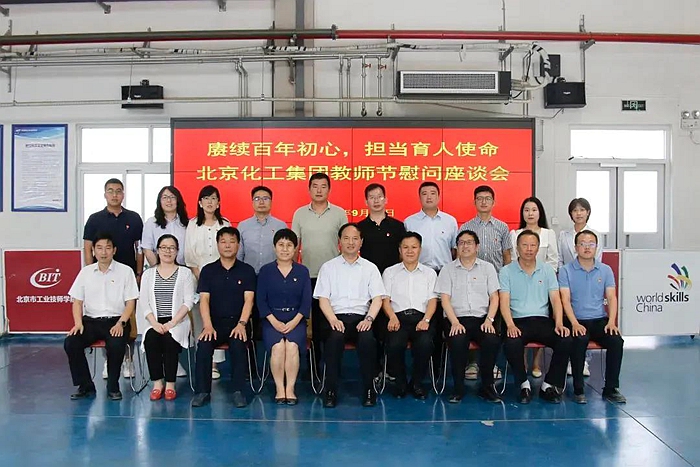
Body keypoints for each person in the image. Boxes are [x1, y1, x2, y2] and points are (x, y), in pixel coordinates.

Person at [314, 223, 385, 408]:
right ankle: (330, 391)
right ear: (339, 241)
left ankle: (369, 389)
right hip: (336, 318)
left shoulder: (370, 268)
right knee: (334, 340)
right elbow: (323, 299)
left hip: (362, 318)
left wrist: (369, 319)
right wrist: (332, 319)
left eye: (355, 239)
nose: (350, 242)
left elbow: (377, 298)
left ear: (361, 242)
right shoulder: (328, 267)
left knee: (368, 340)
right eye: (346, 238)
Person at [499, 230, 572, 404]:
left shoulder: (547, 270)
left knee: (565, 340)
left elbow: (555, 299)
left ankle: (548, 385)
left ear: (538, 248)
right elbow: (504, 301)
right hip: (517, 321)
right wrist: (509, 324)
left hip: (542, 320)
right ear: (517, 248)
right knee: (511, 342)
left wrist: (559, 322)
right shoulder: (506, 271)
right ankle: (523, 384)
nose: (529, 249)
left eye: (533, 245)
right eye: (524, 245)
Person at [64, 232, 138, 401]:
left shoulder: (125, 271)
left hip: (117, 320)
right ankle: (85, 385)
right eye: (99, 248)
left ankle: (113, 386)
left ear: (114, 250)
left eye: (107, 248)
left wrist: (121, 323)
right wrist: (78, 323)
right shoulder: (86, 272)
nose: (103, 252)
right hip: (90, 321)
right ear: (93, 251)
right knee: (71, 343)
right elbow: (77, 302)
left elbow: (130, 303)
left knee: (116, 344)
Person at [83, 178, 143, 380]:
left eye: (118, 191)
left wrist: (139, 273)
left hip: (127, 276)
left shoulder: (134, 218)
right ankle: (109, 360)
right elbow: (88, 247)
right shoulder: (94, 219)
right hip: (101, 275)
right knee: (104, 317)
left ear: (123, 194)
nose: (114, 194)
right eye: (110, 191)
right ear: (105, 194)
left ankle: (128, 360)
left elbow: (139, 248)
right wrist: (90, 271)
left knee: (128, 320)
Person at [191, 227, 256, 408]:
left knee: (238, 345)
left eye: (232, 241)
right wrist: (207, 325)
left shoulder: (247, 270)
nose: (228, 245)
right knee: (204, 346)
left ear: (238, 245)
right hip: (214, 324)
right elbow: (204, 300)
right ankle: (202, 392)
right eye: (223, 241)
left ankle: (238, 391)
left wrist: (242, 324)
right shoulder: (208, 271)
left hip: (238, 323)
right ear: (217, 245)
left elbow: (249, 300)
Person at [435, 230, 502, 403]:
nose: (465, 246)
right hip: (456, 319)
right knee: (457, 341)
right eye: (461, 243)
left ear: (477, 246)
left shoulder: (488, 268)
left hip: (482, 319)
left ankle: (487, 387)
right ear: (456, 247)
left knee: (491, 340)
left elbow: (495, 297)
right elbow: (445, 300)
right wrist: (454, 322)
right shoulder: (447, 269)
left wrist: (489, 320)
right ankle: (458, 388)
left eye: (469, 242)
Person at [559, 230, 626, 404]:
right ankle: (578, 389)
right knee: (579, 339)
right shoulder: (566, 270)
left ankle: (611, 388)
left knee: (616, 341)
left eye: (591, 244)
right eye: (582, 244)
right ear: (576, 248)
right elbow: (565, 299)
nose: (587, 247)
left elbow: (611, 297)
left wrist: (611, 322)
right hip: (575, 319)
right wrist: (574, 323)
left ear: (596, 247)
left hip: (599, 319)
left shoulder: (605, 270)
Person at [292, 173, 348, 374]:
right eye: (315, 186)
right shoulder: (300, 214)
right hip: (308, 275)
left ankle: (332, 366)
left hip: (333, 277)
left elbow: (346, 243)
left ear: (329, 190)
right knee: (313, 324)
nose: (319, 190)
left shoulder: (339, 213)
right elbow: (294, 245)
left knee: (332, 321)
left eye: (323, 186)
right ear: (309, 189)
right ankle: (313, 368)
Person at [459, 185, 511, 381]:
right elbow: (459, 256)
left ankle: (491, 363)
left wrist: (506, 283)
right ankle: (472, 363)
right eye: (479, 198)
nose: (483, 202)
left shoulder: (502, 227)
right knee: (472, 321)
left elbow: (507, 257)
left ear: (493, 202)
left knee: (493, 325)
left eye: (487, 198)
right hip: (471, 284)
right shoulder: (466, 228)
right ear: (474, 202)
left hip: (495, 283)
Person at [256, 229, 312, 405]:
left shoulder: (302, 271)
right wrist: (274, 321)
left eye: (289, 245)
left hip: (296, 320)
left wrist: (294, 322)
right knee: (279, 347)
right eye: (281, 245)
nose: (285, 249)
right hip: (271, 320)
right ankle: (280, 389)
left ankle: (290, 389)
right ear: (274, 247)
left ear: (295, 249)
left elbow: (306, 302)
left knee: (292, 346)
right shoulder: (265, 271)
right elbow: (261, 301)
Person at [137, 234, 195, 401]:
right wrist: (154, 323)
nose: (167, 251)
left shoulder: (185, 273)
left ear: (177, 251)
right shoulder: (148, 274)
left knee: (170, 339)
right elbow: (144, 302)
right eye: (163, 247)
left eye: (172, 248)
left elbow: (188, 302)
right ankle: (157, 383)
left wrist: (172, 323)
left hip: (178, 321)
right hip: (154, 321)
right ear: (157, 250)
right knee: (151, 338)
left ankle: (170, 384)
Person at [381, 232, 438, 400]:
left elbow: (432, 301)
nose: (410, 251)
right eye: (405, 247)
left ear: (420, 249)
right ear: (400, 250)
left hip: (422, 318)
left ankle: (416, 383)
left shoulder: (429, 273)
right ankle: (400, 383)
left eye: (414, 247)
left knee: (425, 344)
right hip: (397, 318)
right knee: (394, 344)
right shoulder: (390, 272)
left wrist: (426, 320)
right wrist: (392, 317)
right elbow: (385, 300)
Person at [141, 185, 189, 378]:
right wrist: (161, 268)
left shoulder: (187, 223)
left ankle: (174, 362)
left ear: (178, 200)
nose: (169, 201)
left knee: (183, 315)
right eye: (164, 197)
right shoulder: (151, 223)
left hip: (183, 274)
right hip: (159, 271)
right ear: (159, 201)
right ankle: (163, 371)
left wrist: (176, 268)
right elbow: (147, 248)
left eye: (172, 197)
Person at [509, 196, 559, 379]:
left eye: (534, 210)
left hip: (543, 284)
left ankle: (537, 362)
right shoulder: (515, 234)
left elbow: (554, 260)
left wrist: (543, 276)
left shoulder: (548, 233)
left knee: (541, 321)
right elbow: (513, 260)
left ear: (540, 213)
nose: (530, 213)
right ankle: (522, 361)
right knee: (521, 323)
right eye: (526, 210)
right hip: (520, 283)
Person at [185, 185, 231, 380]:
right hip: (199, 278)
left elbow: (230, 251)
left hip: (223, 279)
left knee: (219, 317)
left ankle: (215, 364)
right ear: (200, 202)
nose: (210, 202)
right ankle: (203, 359)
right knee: (200, 318)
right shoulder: (192, 224)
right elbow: (189, 256)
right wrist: (202, 278)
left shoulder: (225, 223)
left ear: (218, 202)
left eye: (213, 198)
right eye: (206, 198)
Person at [557, 197, 603, 377]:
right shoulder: (563, 235)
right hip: (567, 280)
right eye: (575, 210)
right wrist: (564, 277)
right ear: (571, 214)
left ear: (588, 212)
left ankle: (584, 360)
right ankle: (571, 359)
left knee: (587, 319)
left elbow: (597, 259)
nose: (578, 213)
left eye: (582, 210)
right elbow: (560, 259)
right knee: (571, 318)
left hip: (588, 281)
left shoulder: (596, 234)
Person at [404, 181, 458, 273]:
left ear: (438, 197)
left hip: (445, 272)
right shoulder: (409, 222)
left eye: (433, 193)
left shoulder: (450, 221)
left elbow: (455, 250)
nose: (429, 197)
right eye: (424, 194)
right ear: (419, 198)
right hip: (419, 272)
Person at [357, 183, 406, 274]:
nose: (376, 201)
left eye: (380, 197)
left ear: (386, 200)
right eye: (372, 197)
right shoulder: (359, 227)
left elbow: (403, 252)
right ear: (366, 202)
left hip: (393, 275)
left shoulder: (397, 226)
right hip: (367, 274)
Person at [238, 186, 288, 274]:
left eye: (265, 198)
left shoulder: (281, 226)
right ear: (252, 202)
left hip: (274, 274)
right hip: (248, 275)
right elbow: (239, 255)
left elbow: (286, 253)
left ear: (271, 202)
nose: (261, 202)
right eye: (257, 199)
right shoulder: (243, 226)